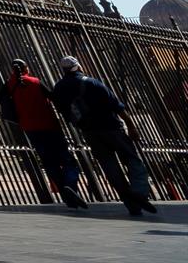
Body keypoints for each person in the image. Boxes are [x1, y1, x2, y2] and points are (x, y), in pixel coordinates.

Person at [51, 55, 160, 216]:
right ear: (78, 67)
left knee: (110, 167)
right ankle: (139, 193)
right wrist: (131, 126)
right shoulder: (92, 82)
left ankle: (132, 205)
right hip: (111, 127)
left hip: (89, 132)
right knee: (132, 159)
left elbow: (63, 111)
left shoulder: (59, 88)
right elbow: (116, 105)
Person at [0, 57, 84, 208]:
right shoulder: (35, 82)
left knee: (49, 162)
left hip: (30, 129)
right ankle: (70, 185)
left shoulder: (9, 84)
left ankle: (65, 193)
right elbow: (54, 98)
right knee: (67, 160)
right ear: (26, 68)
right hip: (50, 126)